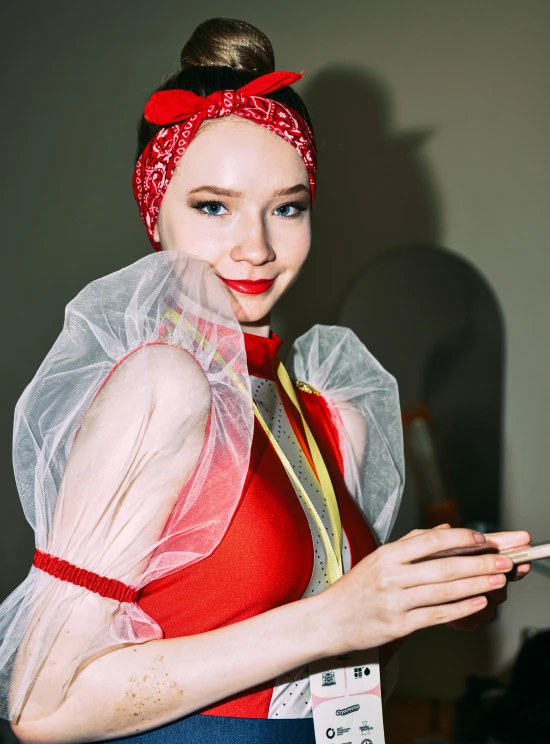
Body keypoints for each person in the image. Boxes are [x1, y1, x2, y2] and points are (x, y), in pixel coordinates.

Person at [1, 17, 530, 744]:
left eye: (288, 208)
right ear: (155, 212)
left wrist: (416, 604)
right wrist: (332, 617)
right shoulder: (163, 388)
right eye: (214, 206)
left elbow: (330, 682)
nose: (256, 246)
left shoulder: (326, 408)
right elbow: (42, 710)